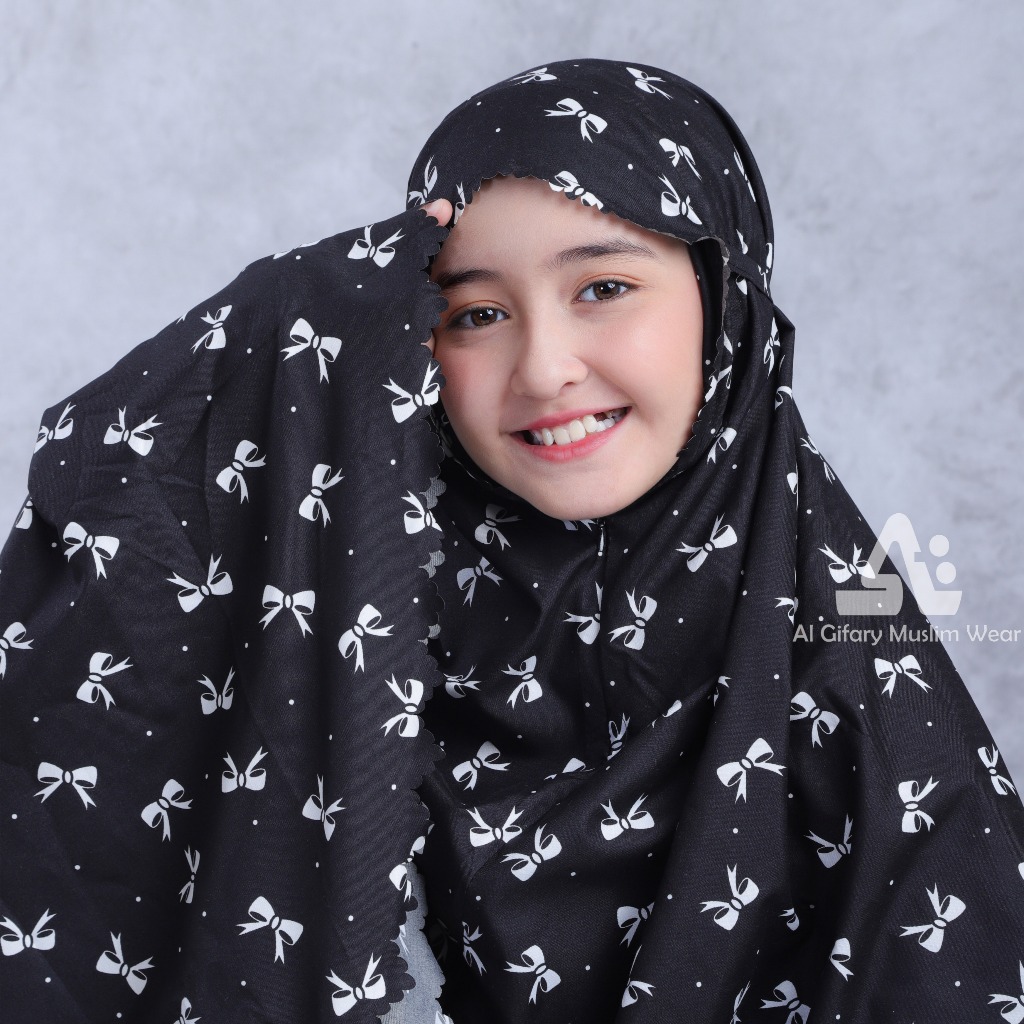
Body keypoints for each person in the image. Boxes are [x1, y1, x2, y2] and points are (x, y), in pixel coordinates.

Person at [1, 58, 1022, 1024]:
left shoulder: (856, 664)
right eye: (477, 313)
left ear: (725, 296)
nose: (541, 368)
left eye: (603, 288)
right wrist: (305, 301)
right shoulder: (375, 600)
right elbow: (118, 502)